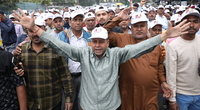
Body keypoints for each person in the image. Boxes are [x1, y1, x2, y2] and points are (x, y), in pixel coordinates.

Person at [12, 8, 189, 110]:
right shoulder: (83, 54)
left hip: (112, 107)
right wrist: (35, 28)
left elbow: (139, 47)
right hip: (88, 107)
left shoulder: (116, 54)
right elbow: (59, 46)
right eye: (94, 42)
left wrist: (164, 35)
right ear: (90, 43)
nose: (97, 45)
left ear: (107, 42)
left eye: (101, 42)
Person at [104, 11, 172, 110]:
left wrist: (163, 82)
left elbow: (159, 66)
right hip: (129, 93)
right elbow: (102, 32)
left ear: (147, 27)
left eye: (142, 25)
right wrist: (117, 19)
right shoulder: (121, 39)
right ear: (131, 27)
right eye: (136, 26)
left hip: (150, 93)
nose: (139, 29)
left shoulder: (155, 45)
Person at [13, 18, 73, 110]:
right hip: (31, 103)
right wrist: (18, 68)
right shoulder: (21, 50)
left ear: (44, 30)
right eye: (31, 31)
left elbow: (65, 75)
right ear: (27, 32)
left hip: (53, 101)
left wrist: (68, 99)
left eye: (37, 29)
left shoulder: (55, 49)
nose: (34, 34)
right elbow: (16, 74)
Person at [166, 9, 200, 110]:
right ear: (181, 23)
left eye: (195, 21)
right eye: (187, 21)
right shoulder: (173, 45)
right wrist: (172, 100)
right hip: (182, 95)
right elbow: (171, 74)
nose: (191, 25)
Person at [59, 10, 91, 110]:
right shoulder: (63, 36)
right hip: (67, 75)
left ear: (83, 22)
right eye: (75, 20)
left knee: (83, 103)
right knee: (68, 104)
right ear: (70, 22)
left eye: (80, 20)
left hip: (84, 75)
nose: (78, 22)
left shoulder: (88, 37)